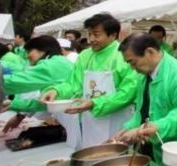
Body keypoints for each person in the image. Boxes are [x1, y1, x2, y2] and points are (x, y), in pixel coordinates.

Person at [40, 13, 139, 149]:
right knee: (90, 153)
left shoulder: (123, 55)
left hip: (118, 120)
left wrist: (94, 103)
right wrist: (56, 91)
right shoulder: (85, 55)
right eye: (90, 34)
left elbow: (129, 92)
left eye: (97, 35)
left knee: (114, 157)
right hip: (89, 119)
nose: (91, 39)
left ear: (113, 35)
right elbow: (73, 83)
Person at [115, 33, 177, 166]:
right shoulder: (145, 75)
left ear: (150, 52)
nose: (132, 67)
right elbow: (141, 110)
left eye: (132, 62)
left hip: (172, 154)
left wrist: (153, 128)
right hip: (149, 147)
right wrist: (126, 130)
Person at [1, 36, 75, 134]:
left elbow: (15, 82)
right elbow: (47, 102)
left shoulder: (51, 65)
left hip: (73, 118)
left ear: (43, 50)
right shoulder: (59, 62)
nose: (27, 56)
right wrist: (13, 105)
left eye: (29, 51)